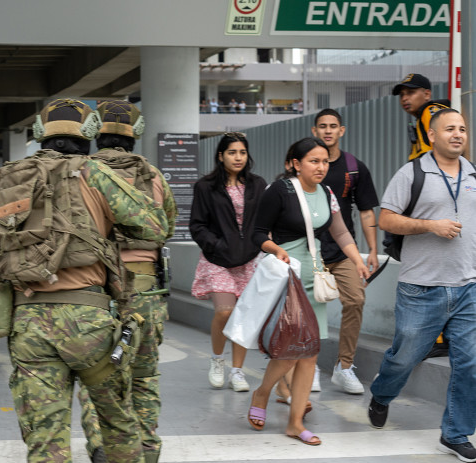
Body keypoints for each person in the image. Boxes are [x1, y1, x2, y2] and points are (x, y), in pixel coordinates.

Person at [0, 98, 169, 463]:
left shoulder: (12, 176)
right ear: (90, 134)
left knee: (46, 440)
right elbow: (155, 226)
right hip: (88, 322)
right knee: (117, 423)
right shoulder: (95, 173)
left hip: (27, 323)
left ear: (40, 134)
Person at [368, 109, 476, 462]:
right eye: (450, 129)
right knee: (405, 357)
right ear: (432, 136)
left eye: (462, 129)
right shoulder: (412, 173)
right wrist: (431, 225)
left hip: (468, 286)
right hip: (421, 287)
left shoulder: (474, 175)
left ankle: (455, 433)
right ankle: (382, 395)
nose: (458, 134)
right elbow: (386, 219)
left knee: (470, 364)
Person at [250, 137, 370, 446]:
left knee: (309, 353)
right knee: (289, 350)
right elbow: (257, 233)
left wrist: (357, 259)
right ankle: (263, 391)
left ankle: (295, 423)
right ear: (295, 164)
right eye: (313, 161)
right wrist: (274, 248)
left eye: (325, 161)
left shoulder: (327, 193)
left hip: (314, 278)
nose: (321, 167)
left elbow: (340, 231)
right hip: (286, 276)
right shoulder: (280, 191)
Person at [88, 99, 177, 463]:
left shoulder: (83, 172)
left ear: (96, 135)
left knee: (96, 375)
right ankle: (148, 448)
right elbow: (166, 228)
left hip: (97, 291)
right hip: (145, 293)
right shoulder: (154, 177)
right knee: (143, 376)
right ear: (135, 137)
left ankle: (101, 445)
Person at [190, 132, 266, 393]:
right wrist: (218, 245)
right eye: (232, 152)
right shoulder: (205, 187)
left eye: (242, 152)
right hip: (218, 259)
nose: (238, 157)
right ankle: (217, 359)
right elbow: (197, 226)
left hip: (249, 260)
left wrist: (258, 245)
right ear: (220, 155)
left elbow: (264, 221)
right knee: (225, 311)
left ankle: (237, 371)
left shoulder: (258, 185)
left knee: (244, 315)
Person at [311, 109, 380, 394]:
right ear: (315, 131)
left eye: (333, 126)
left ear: (342, 130)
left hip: (342, 248)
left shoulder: (354, 167)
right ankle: (309, 366)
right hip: (310, 249)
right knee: (311, 308)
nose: (328, 131)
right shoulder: (304, 161)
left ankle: (344, 367)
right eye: (322, 127)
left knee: (354, 300)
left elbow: (365, 211)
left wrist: (372, 249)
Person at [392, 73, 450, 161]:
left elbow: (446, 152)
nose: (404, 98)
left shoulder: (430, 112)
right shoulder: (422, 116)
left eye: (410, 92)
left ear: (427, 94)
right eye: (401, 95)